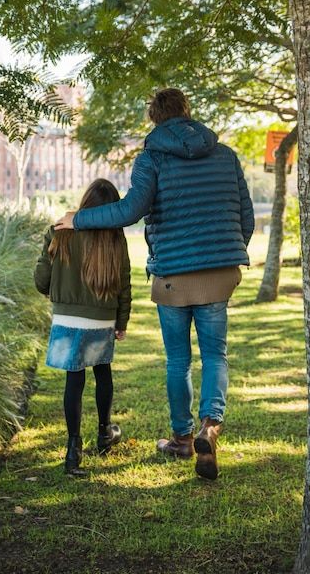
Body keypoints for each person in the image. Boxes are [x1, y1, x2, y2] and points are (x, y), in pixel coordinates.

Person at [55, 88, 254, 480]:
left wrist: (76, 219)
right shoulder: (226, 156)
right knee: (216, 355)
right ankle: (210, 427)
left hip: (172, 278)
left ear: (154, 119)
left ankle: (181, 437)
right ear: (187, 111)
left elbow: (130, 210)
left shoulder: (151, 159)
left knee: (178, 361)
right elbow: (245, 218)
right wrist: (226, 254)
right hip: (219, 274)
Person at [34, 179, 131, 476]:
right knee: (103, 372)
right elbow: (124, 284)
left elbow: (41, 281)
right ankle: (104, 433)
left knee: (73, 382)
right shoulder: (115, 237)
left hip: (66, 319)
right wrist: (121, 321)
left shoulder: (59, 232)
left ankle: (73, 450)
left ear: (85, 201)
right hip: (101, 317)